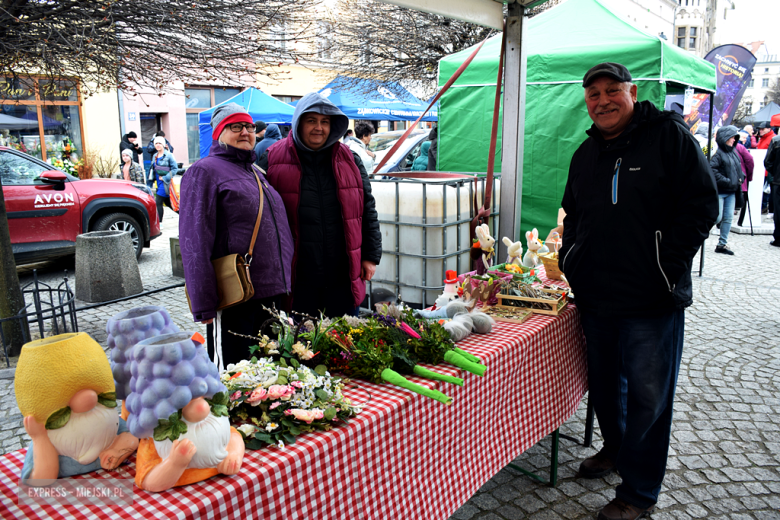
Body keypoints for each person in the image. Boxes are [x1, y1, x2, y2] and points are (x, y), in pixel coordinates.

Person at [559, 62, 717, 520]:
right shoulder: (586, 153)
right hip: (597, 297)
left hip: (651, 298)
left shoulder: (669, 137)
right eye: (593, 95)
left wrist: (667, 262)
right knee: (606, 387)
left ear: (631, 92)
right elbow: (573, 213)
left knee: (650, 396)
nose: (603, 101)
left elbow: (701, 203)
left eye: (612, 91)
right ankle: (614, 450)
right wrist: (574, 260)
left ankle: (639, 493)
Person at [180, 103, 294, 367]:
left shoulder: (256, 172)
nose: (245, 132)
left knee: (271, 374)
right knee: (235, 375)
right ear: (220, 132)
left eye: (250, 127)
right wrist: (203, 303)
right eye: (236, 127)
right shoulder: (204, 171)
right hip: (236, 295)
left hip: (269, 291)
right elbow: (194, 240)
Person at [258, 92, 381, 319]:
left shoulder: (350, 159)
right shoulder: (272, 159)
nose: (319, 128)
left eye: (325, 122)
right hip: (298, 275)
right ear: (298, 123)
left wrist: (370, 256)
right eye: (311, 120)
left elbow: (367, 208)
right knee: (301, 347)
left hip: (342, 273)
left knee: (345, 344)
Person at [710, 126, 744, 255]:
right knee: (717, 217)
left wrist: (741, 178)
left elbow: (738, 169)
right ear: (725, 138)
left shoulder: (733, 152)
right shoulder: (718, 154)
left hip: (731, 191)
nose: (734, 139)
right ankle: (699, 236)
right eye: (732, 137)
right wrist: (727, 181)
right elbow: (712, 170)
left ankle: (722, 244)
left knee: (728, 218)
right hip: (720, 191)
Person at [148, 136, 178, 222]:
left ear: (163, 145)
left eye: (160, 143)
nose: (158, 145)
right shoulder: (155, 156)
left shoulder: (169, 155)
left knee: (158, 202)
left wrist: (165, 177)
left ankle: (159, 223)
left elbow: (174, 169)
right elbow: (153, 169)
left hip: (165, 183)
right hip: (158, 183)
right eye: (156, 143)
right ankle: (184, 216)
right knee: (169, 204)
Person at [762, 132, 780, 246]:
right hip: (777, 179)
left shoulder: (776, 140)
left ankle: (778, 238)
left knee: (778, 211)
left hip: (778, 181)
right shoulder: (775, 140)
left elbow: (768, 162)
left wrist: (775, 173)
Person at [756, 122, 776, 214]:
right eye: (760, 129)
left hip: (767, 170)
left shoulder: (772, 138)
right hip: (760, 168)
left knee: (766, 191)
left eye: (762, 129)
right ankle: (763, 207)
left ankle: (764, 207)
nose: (760, 131)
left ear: (769, 129)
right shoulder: (762, 138)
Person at [735, 139, 754, 227]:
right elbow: (749, 160)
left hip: (738, 178)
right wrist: (748, 176)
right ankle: (740, 221)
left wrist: (748, 176)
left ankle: (740, 221)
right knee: (743, 201)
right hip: (740, 179)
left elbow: (749, 160)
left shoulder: (739, 147)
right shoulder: (739, 147)